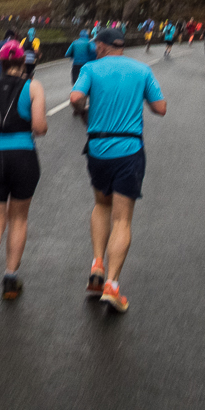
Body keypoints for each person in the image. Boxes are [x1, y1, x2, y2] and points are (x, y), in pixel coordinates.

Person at [69, 27, 166, 314]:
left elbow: (75, 98)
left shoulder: (91, 68)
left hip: (98, 148)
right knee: (122, 219)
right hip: (129, 149)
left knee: (101, 204)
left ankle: (97, 264)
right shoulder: (142, 70)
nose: (93, 48)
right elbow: (160, 108)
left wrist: (87, 107)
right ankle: (111, 285)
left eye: (95, 44)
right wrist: (140, 99)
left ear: (102, 45)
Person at [0, 40, 47, 302]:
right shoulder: (33, 86)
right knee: (18, 218)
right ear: (23, 62)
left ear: (1, 62)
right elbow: (39, 127)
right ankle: (10, 279)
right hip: (23, 155)